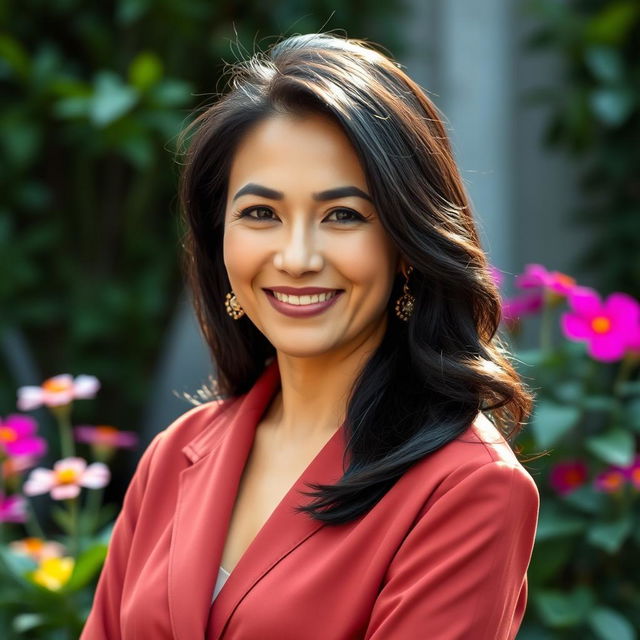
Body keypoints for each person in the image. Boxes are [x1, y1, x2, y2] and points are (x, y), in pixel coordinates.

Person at [80, 32, 540, 640]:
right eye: (261, 213)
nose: (296, 258)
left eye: (343, 215)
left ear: (407, 245)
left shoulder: (468, 490)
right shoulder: (177, 453)